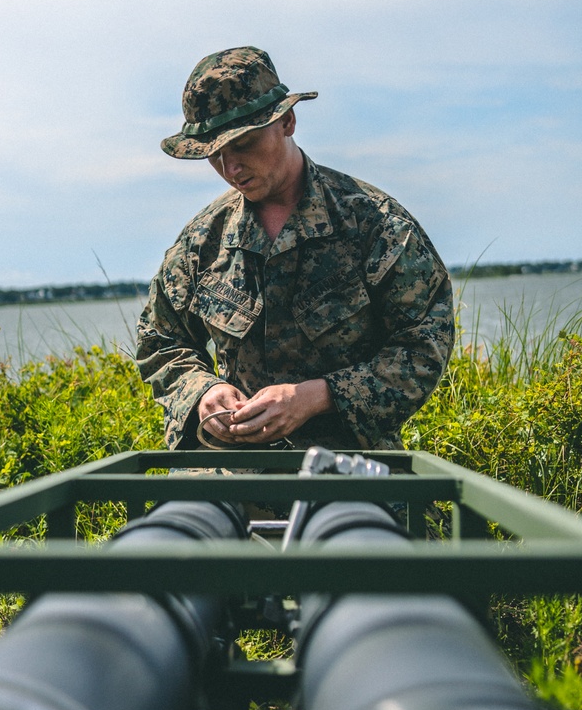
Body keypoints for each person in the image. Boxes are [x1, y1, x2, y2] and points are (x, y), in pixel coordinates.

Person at [136, 46, 454, 451]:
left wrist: (318, 396)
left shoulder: (375, 224)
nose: (230, 168)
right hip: (229, 471)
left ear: (287, 121)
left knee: (362, 521)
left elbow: (425, 345)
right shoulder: (204, 240)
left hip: (346, 466)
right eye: (215, 155)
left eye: (244, 144)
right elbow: (160, 339)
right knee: (179, 519)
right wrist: (202, 392)